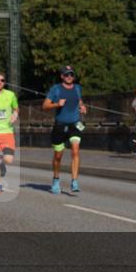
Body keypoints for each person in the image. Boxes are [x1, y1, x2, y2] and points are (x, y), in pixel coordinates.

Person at [42, 65, 87, 194]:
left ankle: (74, 181)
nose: (69, 77)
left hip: (75, 124)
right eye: (66, 75)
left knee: (75, 150)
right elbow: (44, 105)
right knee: (58, 155)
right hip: (60, 126)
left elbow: (79, 101)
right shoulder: (56, 89)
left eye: (71, 74)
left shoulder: (78, 88)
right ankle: (56, 179)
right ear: (62, 76)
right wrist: (57, 104)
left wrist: (82, 107)